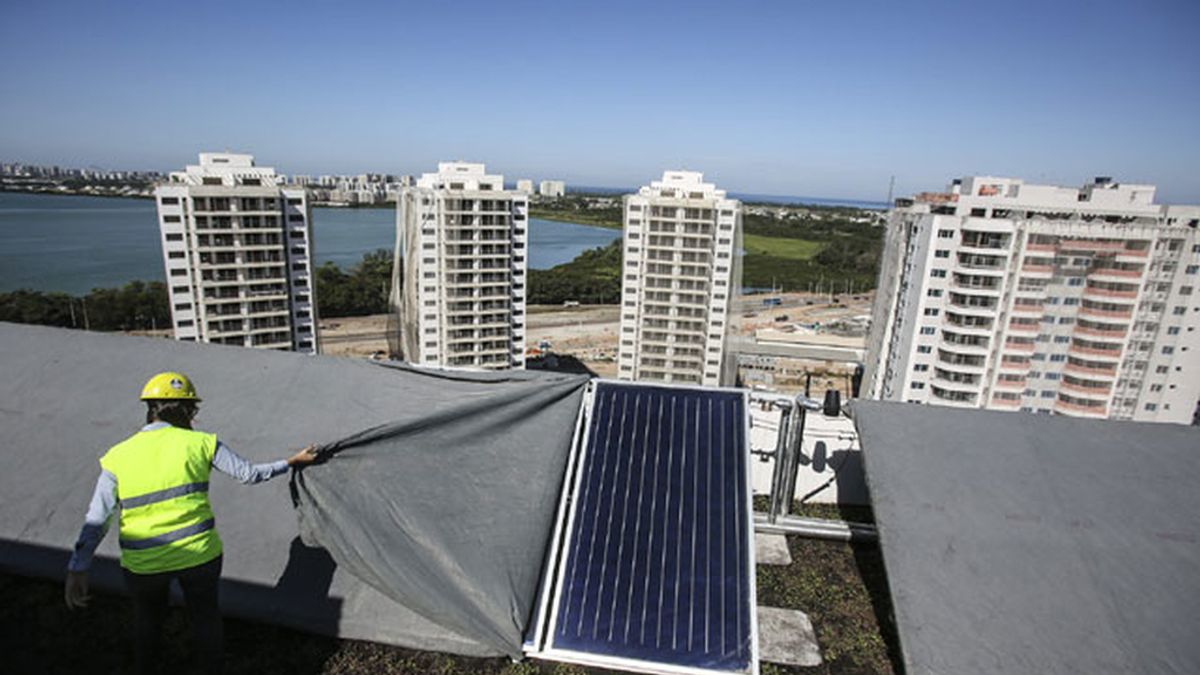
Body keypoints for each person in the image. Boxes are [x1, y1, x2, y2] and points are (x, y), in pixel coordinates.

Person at [63, 371, 318, 674]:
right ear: (184, 409)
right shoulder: (202, 443)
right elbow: (249, 474)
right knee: (205, 619)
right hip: (199, 556)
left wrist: (78, 566)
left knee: (147, 622)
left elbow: (97, 517)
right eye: (193, 410)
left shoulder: (117, 456)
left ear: (151, 408)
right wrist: (290, 462)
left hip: (144, 565)